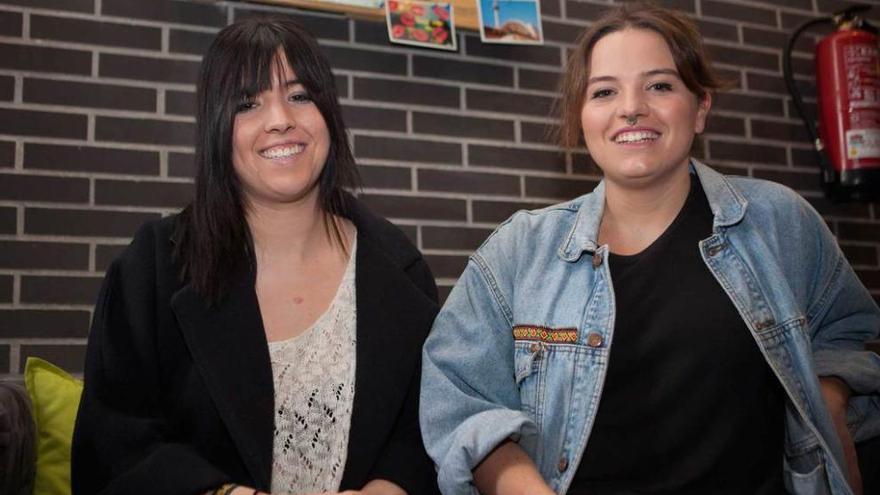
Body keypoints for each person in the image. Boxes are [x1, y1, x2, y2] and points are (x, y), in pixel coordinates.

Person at [419, 2, 880, 494]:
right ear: (583, 117)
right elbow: (458, 397)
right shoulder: (517, 251)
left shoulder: (777, 222)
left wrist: (829, 397)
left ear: (701, 108)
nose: (631, 107)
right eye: (604, 91)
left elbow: (850, 332)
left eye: (659, 85)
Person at [72, 17, 440, 495]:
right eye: (248, 103)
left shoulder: (400, 270)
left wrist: (388, 489)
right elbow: (112, 447)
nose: (280, 119)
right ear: (216, 129)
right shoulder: (154, 268)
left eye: (300, 95)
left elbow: (424, 433)